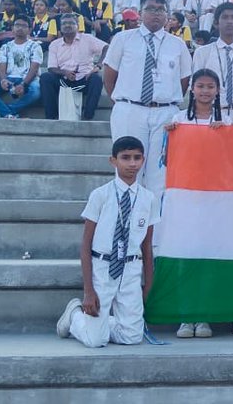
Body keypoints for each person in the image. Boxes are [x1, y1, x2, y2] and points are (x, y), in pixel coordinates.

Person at [55, 136, 158, 348]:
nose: (132, 163)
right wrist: (88, 291)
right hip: (103, 267)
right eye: (125, 158)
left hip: (130, 268)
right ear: (113, 161)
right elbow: (86, 245)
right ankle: (75, 316)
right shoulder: (100, 195)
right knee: (95, 341)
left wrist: (148, 284)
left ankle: (101, 325)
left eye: (137, 158)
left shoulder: (148, 199)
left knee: (132, 338)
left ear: (143, 160)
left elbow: (147, 247)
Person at [103, 0, 193, 193]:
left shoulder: (177, 44)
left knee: (159, 173)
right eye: (151, 9)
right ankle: (127, 211)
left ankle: (153, 213)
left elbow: (184, 79)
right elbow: (109, 75)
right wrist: (123, 102)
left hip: (165, 113)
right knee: (128, 168)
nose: (156, 13)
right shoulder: (123, 39)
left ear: (167, 15)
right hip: (130, 109)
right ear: (140, 13)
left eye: (161, 10)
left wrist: (165, 100)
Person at [165, 68, 228, 340]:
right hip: (185, 197)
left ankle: (203, 315)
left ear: (218, 91)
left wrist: (225, 135)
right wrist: (170, 136)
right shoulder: (179, 120)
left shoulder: (227, 120)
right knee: (185, 257)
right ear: (192, 89)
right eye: (200, 86)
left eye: (210, 86)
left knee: (207, 259)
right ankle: (185, 314)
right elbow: (167, 160)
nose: (205, 91)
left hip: (214, 199)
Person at [192, 2, 233, 125]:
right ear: (216, 23)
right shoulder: (202, 53)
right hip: (211, 113)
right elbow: (195, 86)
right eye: (225, 17)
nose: (229, 21)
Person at [42, 14, 107, 121]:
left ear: (78, 25)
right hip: (64, 81)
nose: (67, 25)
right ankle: (51, 117)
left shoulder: (87, 39)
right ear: (60, 27)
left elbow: (107, 47)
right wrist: (65, 72)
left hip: (84, 79)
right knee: (45, 77)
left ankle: (87, 117)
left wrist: (98, 66)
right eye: (64, 23)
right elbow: (51, 68)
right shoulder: (54, 44)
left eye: (71, 23)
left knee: (96, 79)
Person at [0, 18, 43, 118]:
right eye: (17, 25)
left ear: (29, 30)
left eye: (24, 26)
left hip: (29, 79)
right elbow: (2, 68)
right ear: (12, 28)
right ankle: (9, 114)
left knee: (36, 91)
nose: (20, 28)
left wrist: (23, 84)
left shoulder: (35, 46)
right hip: (9, 79)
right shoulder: (5, 47)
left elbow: (34, 69)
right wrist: (3, 80)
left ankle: (7, 112)